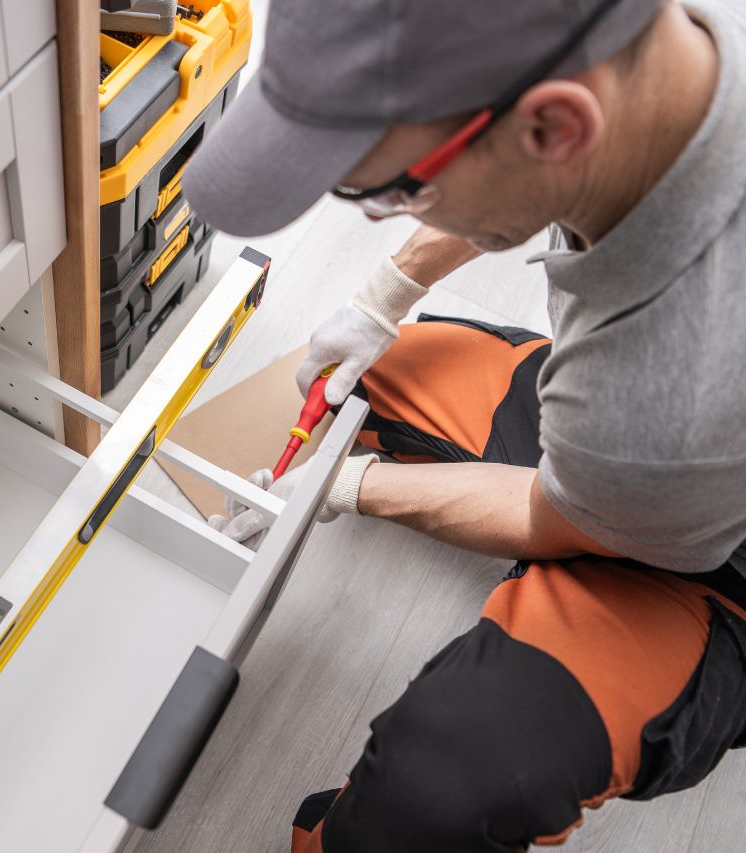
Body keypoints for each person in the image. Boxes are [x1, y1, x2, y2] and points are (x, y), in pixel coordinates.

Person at [183, 0, 746, 850]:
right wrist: (383, 299)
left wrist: (351, 486)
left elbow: (560, 516)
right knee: (390, 370)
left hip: (701, 564)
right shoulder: (662, 69)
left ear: (556, 127)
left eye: (396, 187)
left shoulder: (684, 371)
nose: (381, 215)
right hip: (642, 459)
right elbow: (507, 176)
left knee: (441, 786)